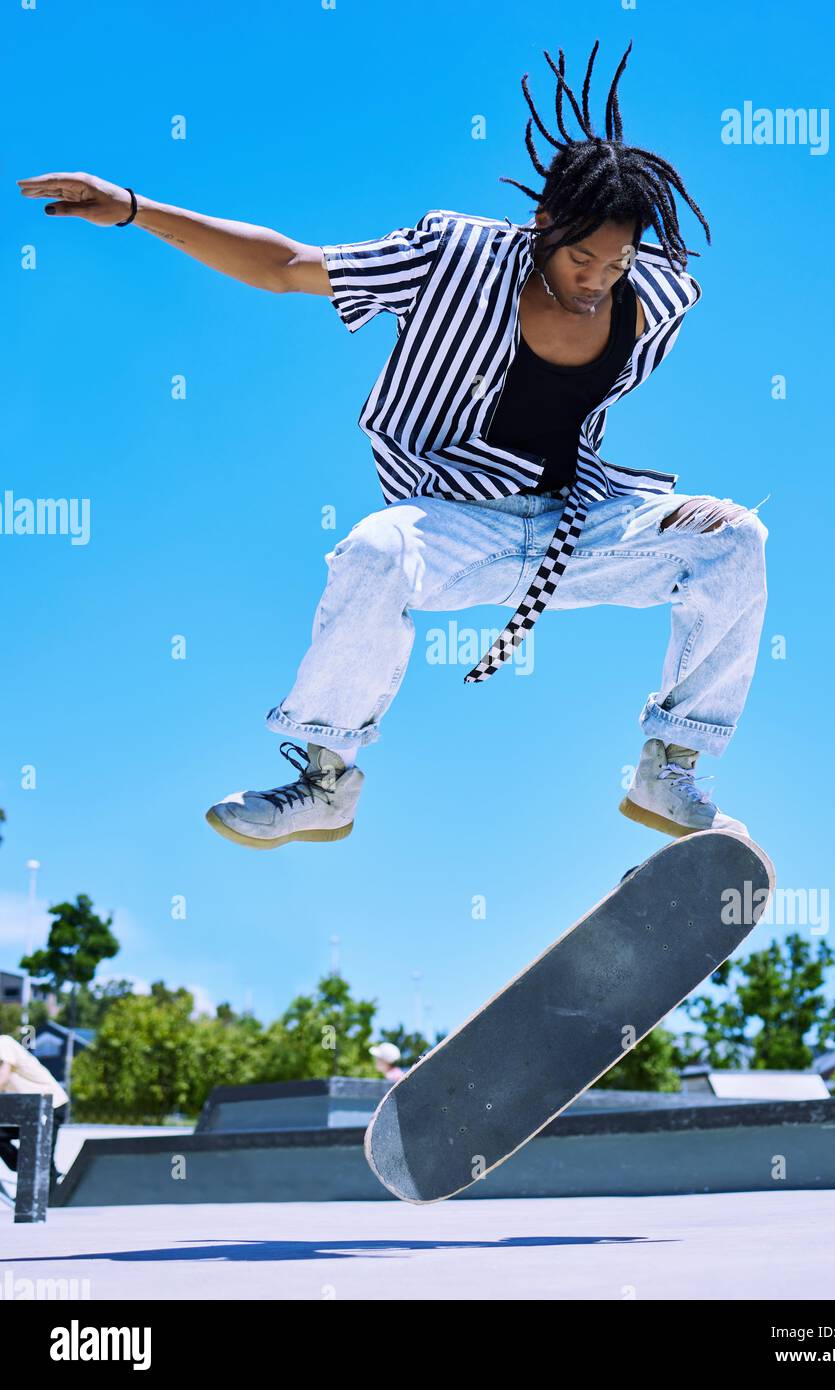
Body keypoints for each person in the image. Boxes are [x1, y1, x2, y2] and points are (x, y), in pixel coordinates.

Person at [17, 38, 767, 849]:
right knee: (374, 551)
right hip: (454, 523)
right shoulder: (452, 256)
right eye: (582, 257)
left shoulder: (656, 297)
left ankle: (672, 765)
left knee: (734, 537)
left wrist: (621, 277)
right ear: (542, 223)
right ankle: (326, 779)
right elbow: (289, 266)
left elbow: (641, 287)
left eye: (615, 264)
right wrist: (135, 207)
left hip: (580, 525)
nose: (597, 280)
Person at [0, 1033, 69, 1186]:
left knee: (43, 1154)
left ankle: (51, 1193)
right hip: (25, 1111)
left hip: (50, 1104)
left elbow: (3, 1075)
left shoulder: (3, 1043)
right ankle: (27, 1167)